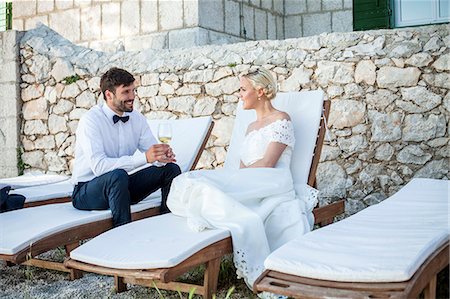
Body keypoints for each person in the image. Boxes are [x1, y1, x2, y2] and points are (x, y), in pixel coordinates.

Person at [167, 67, 318, 288]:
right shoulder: (249, 127)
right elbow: (241, 166)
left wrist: (235, 179)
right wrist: (234, 179)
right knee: (194, 180)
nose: (239, 94)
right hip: (251, 181)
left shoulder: (281, 119)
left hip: (272, 180)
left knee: (209, 185)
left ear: (260, 91)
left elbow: (267, 163)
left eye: (242, 89)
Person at [71, 67, 181, 227]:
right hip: (87, 191)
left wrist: (161, 157)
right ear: (109, 95)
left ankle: (166, 225)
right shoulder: (91, 120)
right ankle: (123, 236)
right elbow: (100, 168)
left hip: (122, 187)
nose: (132, 97)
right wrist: (144, 158)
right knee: (118, 176)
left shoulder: (137, 118)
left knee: (171, 169)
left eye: (133, 90)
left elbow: (152, 153)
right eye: (126, 92)